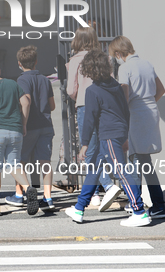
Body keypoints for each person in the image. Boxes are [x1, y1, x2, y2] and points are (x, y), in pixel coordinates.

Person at [64, 49, 151, 227]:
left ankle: (139, 211)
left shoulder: (92, 91)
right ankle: (79, 209)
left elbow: (89, 120)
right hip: (117, 133)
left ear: (88, 70)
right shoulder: (116, 86)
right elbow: (125, 111)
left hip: (108, 136)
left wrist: (85, 144)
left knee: (121, 172)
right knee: (95, 169)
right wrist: (125, 135)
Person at [109, 36, 165, 219]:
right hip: (151, 111)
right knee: (144, 161)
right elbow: (161, 90)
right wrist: (146, 102)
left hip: (135, 115)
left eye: (114, 55)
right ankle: (156, 204)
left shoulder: (125, 68)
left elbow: (124, 96)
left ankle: (139, 203)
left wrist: (122, 117)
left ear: (118, 53)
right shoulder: (147, 64)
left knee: (135, 161)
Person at [0, 58, 38, 217]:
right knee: (14, 165)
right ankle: (27, 187)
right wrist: (23, 124)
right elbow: (26, 103)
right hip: (16, 130)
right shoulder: (13, 84)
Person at [66, 27, 121, 210]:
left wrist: (80, 96)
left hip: (84, 105)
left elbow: (70, 90)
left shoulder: (75, 60)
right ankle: (98, 190)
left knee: (89, 149)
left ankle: (102, 188)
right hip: (106, 105)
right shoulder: (104, 58)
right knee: (103, 147)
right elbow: (111, 81)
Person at [4, 46, 56, 211]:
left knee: (20, 160)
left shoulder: (21, 80)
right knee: (45, 163)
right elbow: (52, 105)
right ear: (36, 61)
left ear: (19, 63)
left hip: (30, 125)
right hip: (46, 125)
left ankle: (20, 194)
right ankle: (48, 198)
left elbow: (26, 101)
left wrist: (23, 124)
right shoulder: (45, 79)